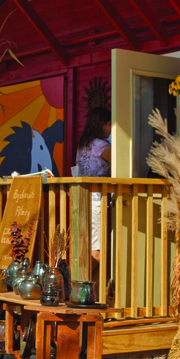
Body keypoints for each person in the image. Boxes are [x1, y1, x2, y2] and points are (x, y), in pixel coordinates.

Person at [76, 107, 112, 276]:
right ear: (102, 124)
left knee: (86, 247)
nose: (111, 128)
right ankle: (74, 284)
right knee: (97, 251)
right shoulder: (101, 145)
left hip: (82, 199)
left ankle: (90, 292)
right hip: (97, 200)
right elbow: (121, 160)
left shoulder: (84, 144)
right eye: (109, 124)